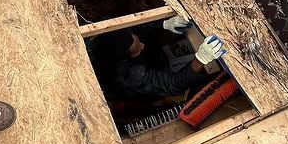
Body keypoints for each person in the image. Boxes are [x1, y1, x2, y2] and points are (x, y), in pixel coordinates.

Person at [86, 15, 227, 99]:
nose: (142, 45)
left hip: (144, 62)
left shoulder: (108, 33)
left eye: (137, 41)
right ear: (126, 58)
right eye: (137, 49)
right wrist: (201, 59)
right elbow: (172, 84)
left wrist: (163, 24)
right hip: (138, 88)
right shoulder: (131, 76)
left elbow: (135, 28)